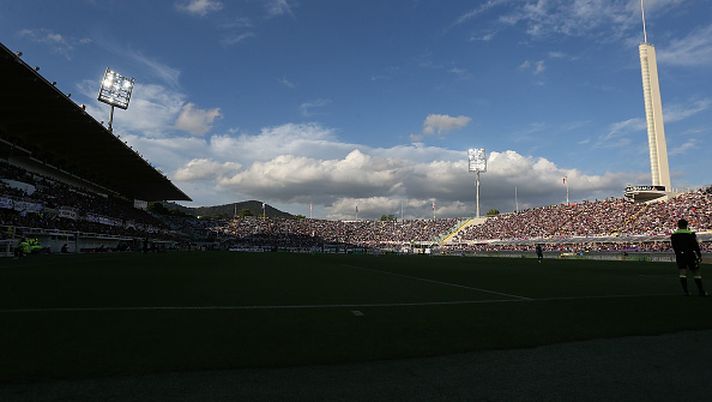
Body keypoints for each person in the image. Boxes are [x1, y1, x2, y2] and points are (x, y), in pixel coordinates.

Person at [670, 219, 706, 296]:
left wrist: (678, 254)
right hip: (690, 255)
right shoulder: (691, 234)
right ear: (686, 225)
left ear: (678, 225)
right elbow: (696, 246)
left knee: (682, 272)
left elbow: (674, 247)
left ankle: (686, 292)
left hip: (680, 255)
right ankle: (701, 291)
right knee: (696, 272)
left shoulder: (674, 235)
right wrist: (699, 255)